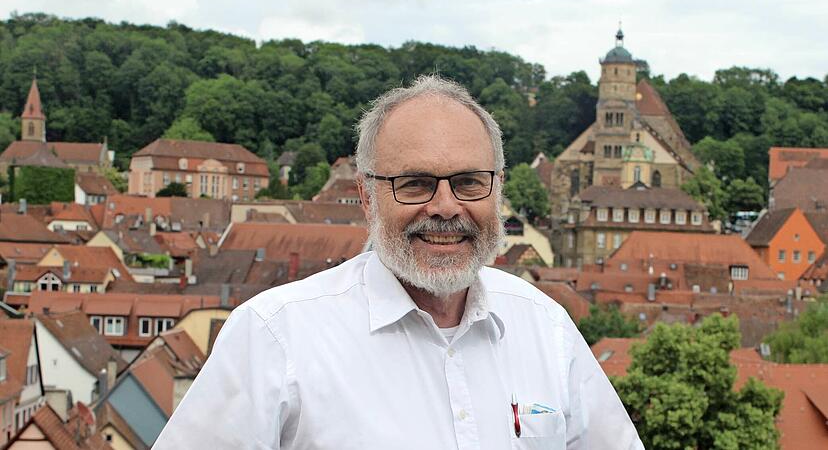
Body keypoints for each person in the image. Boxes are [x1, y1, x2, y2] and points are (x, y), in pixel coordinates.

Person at [154, 75, 644, 449]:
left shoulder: (545, 328)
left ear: (498, 189)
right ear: (367, 197)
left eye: (470, 182)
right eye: (414, 184)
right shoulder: (275, 336)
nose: (446, 207)